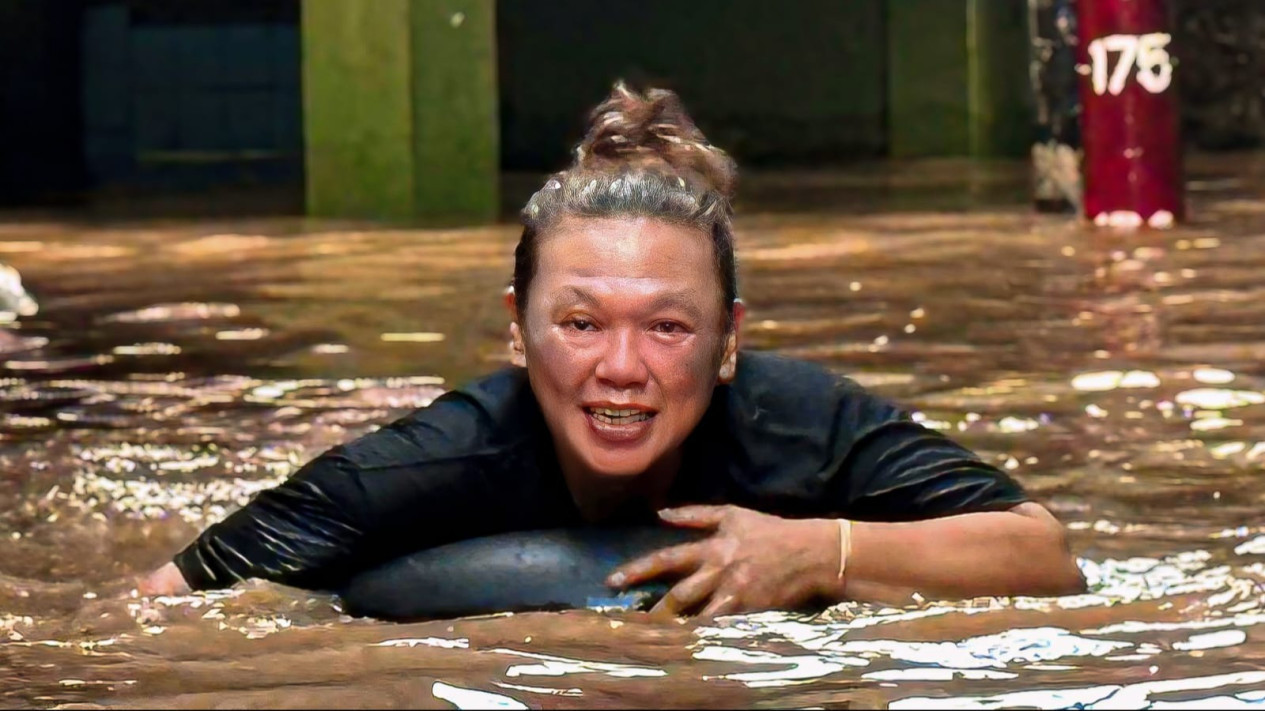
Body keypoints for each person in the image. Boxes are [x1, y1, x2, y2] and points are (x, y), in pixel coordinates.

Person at [139, 83, 1086, 616]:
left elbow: (1045, 554)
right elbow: (153, 604)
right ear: (517, 327)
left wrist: (818, 552)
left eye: (668, 326)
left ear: (728, 342)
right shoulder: (427, 464)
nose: (621, 368)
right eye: (580, 322)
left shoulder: (804, 423)